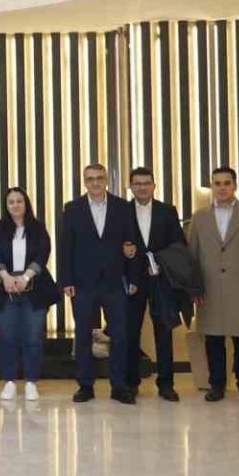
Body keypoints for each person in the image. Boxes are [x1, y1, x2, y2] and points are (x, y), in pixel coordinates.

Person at [57, 164, 143, 404]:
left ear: (106, 180)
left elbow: (132, 243)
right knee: (83, 335)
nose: (95, 182)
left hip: (115, 282)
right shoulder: (72, 209)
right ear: (84, 182)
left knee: (120, 336)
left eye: (99, 178)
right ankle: (85, 386)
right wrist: (66, 280)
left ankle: (119, 386)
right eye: (90, 179)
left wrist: (133, 278)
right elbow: (65, 247)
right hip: (83, 283)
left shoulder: (122, 207)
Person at [187, 167, 239, 405]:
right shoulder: (199, 217)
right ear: (211, 186)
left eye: (226, 183)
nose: (222, 188)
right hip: (209, 288)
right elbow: (192, 256)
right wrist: (194, 289)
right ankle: (216, 385)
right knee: (213, 340)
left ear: (235, 185)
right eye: (217, 183)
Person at [0, 187, 56, 402]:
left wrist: (25, 277)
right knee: (7, 337)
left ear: (26, 204)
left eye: (19, 201)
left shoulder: (38, 228)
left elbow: (43, 253)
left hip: (33, 291)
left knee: (33, 338)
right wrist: (6, 277)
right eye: (11, 202)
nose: (15, 205)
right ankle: (9, 382)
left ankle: (31, 382)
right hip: (4, 290)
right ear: (6, 206)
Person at [125, 167, 185, 402]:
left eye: (146, 183)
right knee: (131, 332)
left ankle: (166, 384)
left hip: (162, 280)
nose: (142, 187)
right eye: (137, 183)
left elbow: (178, 244)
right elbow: (114, 243)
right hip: (132, 281)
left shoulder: (167, 211)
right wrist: (124, 249)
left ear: (154, 185)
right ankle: (131, 383)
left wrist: (160, 260)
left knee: (164, 332)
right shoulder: (121, 211)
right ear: (131, 187)